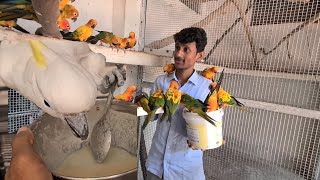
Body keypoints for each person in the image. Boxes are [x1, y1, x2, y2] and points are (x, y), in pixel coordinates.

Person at [146, 27, 211, 180]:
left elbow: (210, 130)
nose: (178, 54)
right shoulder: (161, 82)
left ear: (199, 56)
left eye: (186, 49)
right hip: (156, 165)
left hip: (186, 170)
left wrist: (205, 142)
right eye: (177, 48)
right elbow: (152, 116)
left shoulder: (206, 88)